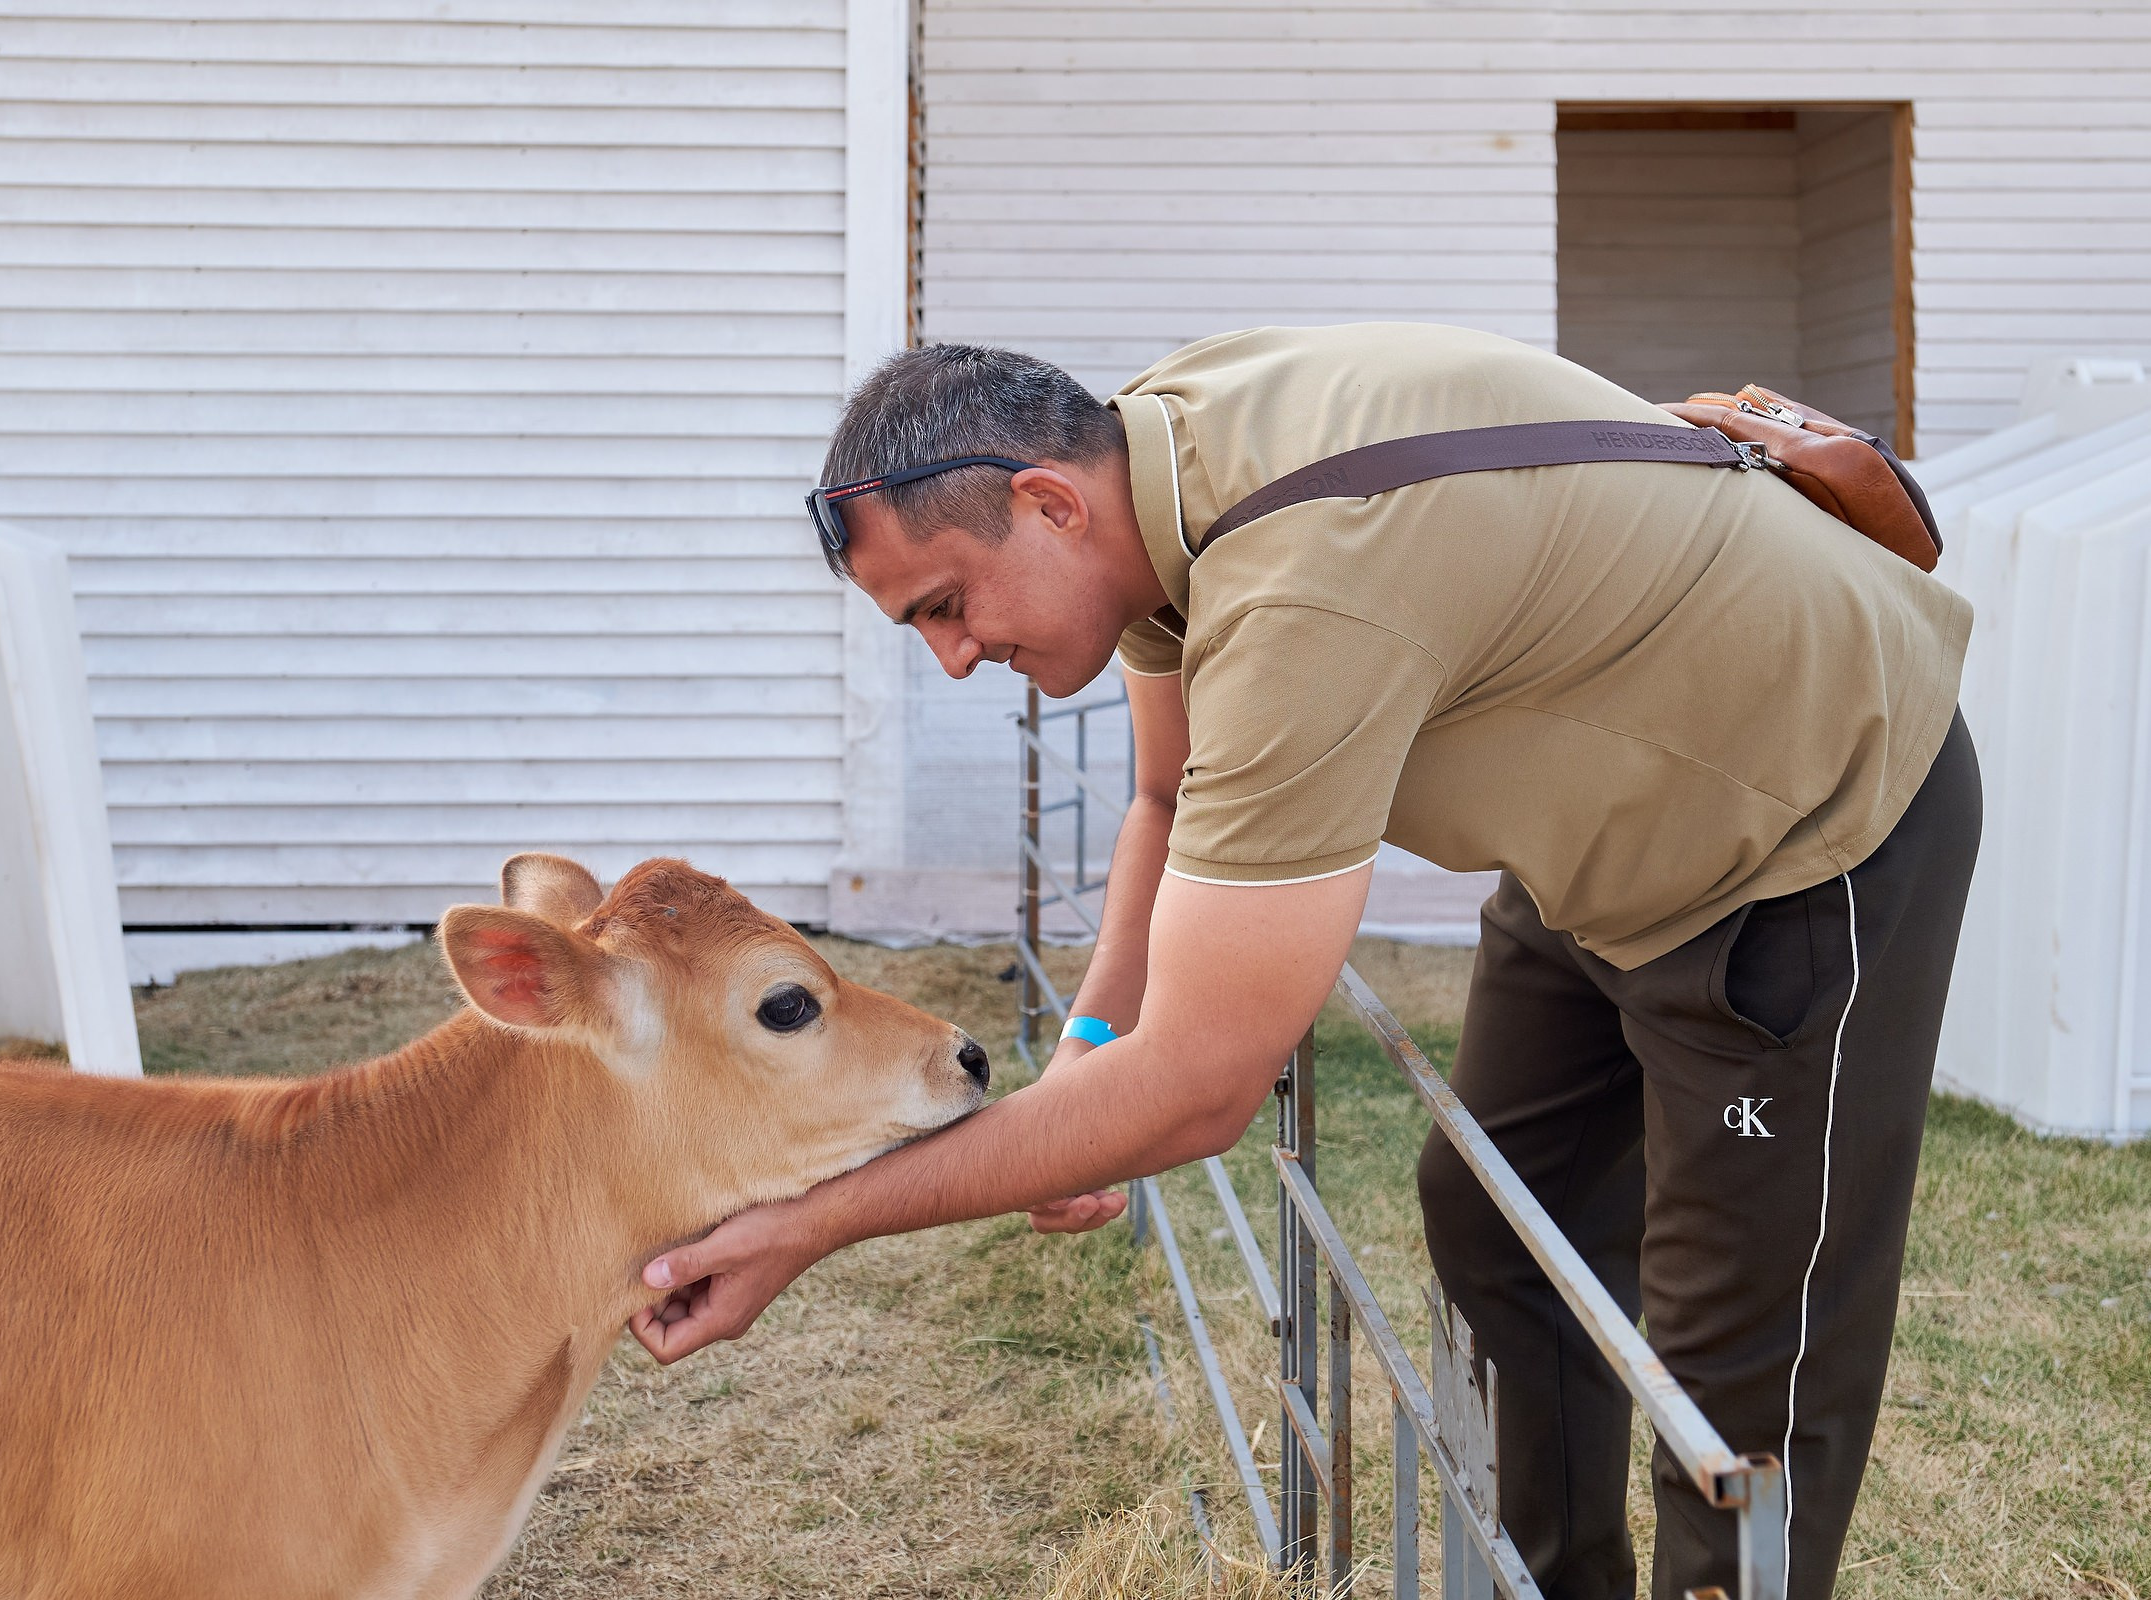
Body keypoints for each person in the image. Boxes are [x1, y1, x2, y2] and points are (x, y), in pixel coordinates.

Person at [629, 324, 1980, 1600]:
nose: (955, 659)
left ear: (1045, 504)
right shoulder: (1151, 465)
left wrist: (808, 1228)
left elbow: (1205, 1087)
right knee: (1495, 1209)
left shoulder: (1300, 587)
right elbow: (1167, 796)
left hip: (1806, 820)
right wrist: (1084, 1063)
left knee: (1737, 1376)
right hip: (1608, 814)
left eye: (945, 605)